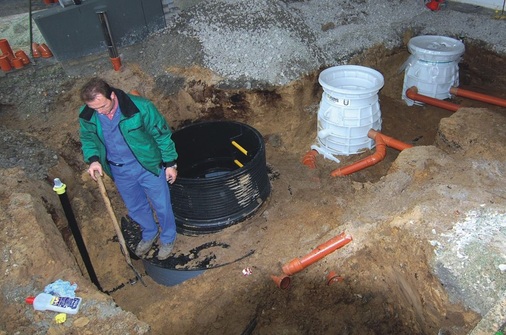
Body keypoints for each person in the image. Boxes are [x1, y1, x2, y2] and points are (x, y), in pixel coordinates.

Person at [78, 77, 178, 260]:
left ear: (112, 96)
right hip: (120, 171)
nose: (99, 112)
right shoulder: (88, 114)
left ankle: (168, 237)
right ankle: (149, 233)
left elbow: (162, 135)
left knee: (162, 204)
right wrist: (93, 160)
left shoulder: (141, 108)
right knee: (135, 206)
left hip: (147, 165)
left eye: (102, 106)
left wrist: (170, 163)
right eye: (94, 108)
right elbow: (88, 139)